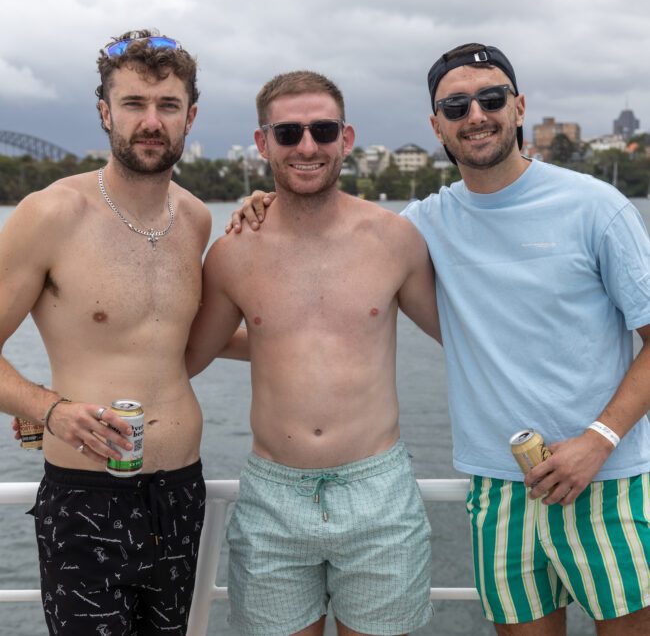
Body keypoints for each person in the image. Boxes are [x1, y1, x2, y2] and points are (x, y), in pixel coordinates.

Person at [229, 44, 650, 636]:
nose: (475, 114)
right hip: (499, 483)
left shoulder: (595, 206)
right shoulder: (420, 225)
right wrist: (268, 204)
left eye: (491, 98)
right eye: (456, 105)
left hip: (606, 478)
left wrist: (599, 440)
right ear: (437, 125)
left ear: (519, 106)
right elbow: (336, 246)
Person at [185, 70, 439, 636]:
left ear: (345, 139)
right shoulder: (232, 253)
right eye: (288, 132)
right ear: (262, 142)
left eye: (322, 130)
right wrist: (66, 396)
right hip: (273, 496)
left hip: (379, 492)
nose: (306, 146)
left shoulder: (394, 239)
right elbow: (186, 356)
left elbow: (466, 335)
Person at [0, 30, 211, 635]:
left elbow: (194, 337)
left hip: (180, 492)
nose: (152, 121)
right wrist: (51, 410)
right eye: (134, 104)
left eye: (168, 106)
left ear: (189, 116)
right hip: (85, 495)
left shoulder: (197, 219)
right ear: (104, 112)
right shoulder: (50, 214)